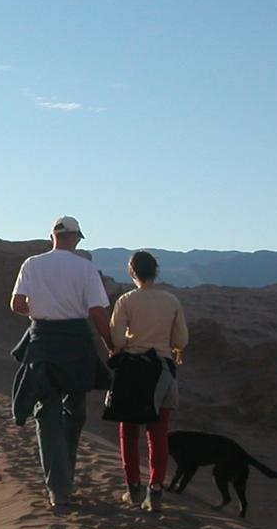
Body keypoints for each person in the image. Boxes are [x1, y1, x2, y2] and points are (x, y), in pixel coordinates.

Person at [10, 216, 113, 510]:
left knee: (47, 415)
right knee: (75, 412)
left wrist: (41, 312)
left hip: (43, 343)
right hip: (76, 344)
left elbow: (17, 305)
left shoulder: (32, 264)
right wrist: (110, 344)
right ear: (76, 238)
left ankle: (58, 487)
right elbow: (96, 310)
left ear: (52, 235)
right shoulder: (86, 268)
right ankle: (64, 477)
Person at [108, 251, 188, 512]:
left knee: (129, 433)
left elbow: (117, 341)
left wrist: (131, 340)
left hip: (132, 373)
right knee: (158, 434)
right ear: (156, 271)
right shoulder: (171, 300)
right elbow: (180, 342)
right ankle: (155, 490)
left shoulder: (126, 300)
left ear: (132, 272)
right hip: (163, 371)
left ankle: (133, 489)